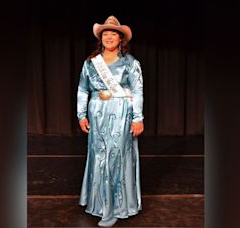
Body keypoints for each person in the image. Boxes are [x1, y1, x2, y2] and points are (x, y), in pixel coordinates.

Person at [76, 15, 144, 227]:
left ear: (120, 38)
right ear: (100, 38)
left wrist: (138, 117)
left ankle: (113, 208)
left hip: (121, 113)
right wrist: (81, 114)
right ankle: (98, 203)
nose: (109, 37)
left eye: (113, 34)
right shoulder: (90, 63)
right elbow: (82, 89)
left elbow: (137, 91)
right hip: (97, 113)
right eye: (105, 34)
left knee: (116, 157)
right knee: (99, 156)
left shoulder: (130, 63)